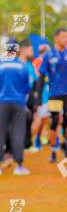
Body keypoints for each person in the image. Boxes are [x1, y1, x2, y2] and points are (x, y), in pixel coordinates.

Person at [0, 38, 31, 176]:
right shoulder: (23, 66)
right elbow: (27, 87)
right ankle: (19, 165)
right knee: (18, 132)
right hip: (18, 103)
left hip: (1, 102)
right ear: (17, 49)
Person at [36, 27, 67, 163]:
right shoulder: (49, 55)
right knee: (54, 122)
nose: (66, 39)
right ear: (56, 38)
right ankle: (53, 151)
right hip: (54, 94)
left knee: (66, 122)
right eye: (63, 37)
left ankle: (65, 145)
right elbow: (41, 76)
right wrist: (38, 99)